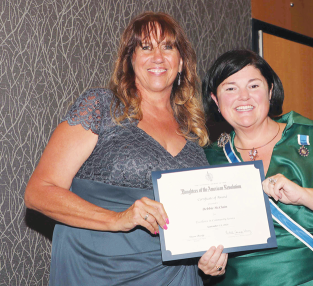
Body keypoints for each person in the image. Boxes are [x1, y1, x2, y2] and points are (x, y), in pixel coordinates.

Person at [25, 12, 227, 285]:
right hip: (100, 272)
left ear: (181, 63)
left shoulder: (193, 133)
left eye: (168, 47)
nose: (158, 57)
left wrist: (206, 260)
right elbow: (38, 192)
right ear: (130, 60)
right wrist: (117, 218)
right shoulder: (100, 106)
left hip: (175, 275)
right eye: (146, 47)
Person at [202, 49, 313, 285]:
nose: (243, 96)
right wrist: (204, 264)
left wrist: (304, 195)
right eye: (230, 88)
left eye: (254, 86)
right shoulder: (207, 160)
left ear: (270, 91)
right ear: (215, 99)